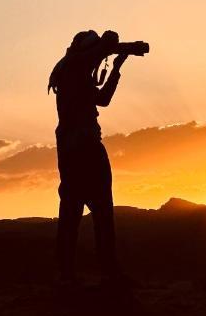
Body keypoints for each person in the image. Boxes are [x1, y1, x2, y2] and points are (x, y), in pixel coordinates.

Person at [47, 29, 138, 288]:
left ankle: (70, 274)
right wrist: (110, 44)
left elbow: (103, 100)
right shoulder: (73, 65)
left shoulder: (72, 72)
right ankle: (105, 273)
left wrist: (116, 68)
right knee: (98, 212)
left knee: (73, 213)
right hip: (84, 147)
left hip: (71, 149)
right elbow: (94, 55)